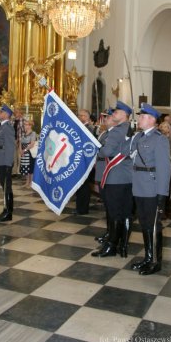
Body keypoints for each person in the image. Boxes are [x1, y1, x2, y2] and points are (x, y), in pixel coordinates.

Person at [125, 103, 171, 275]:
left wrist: (162, 195)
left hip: (152, 188)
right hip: (139, 187)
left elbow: (164, 169)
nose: (139, 119)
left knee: (153, 226)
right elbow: (128, 156)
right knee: (144, 224)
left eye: (142, 116)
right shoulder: (138, 138)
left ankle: (156, 261)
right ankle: (148, 256)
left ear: (152, 120)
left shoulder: (160, 139)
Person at [91, 101, 133, 258]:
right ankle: (121, 244)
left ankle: (112, 246)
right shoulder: (128, 129)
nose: (113, 114)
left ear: (124, 116)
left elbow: (106, 151)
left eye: (116, 112)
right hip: (125, 177)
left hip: (115, 177)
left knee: (115, 213)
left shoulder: (116, 131)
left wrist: (97, 149)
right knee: (124, 212)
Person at [94, 109, 115, 244]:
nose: (104, 120)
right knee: (106, 206)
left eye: (107, 118)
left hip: (108, 172)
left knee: (111, 205)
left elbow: (106, 151)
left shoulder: (114, 135)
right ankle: (108, 231)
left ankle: (112, 233)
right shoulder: (104, 133)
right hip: (100, 170)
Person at [0, 105, 15, 223]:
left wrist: (8, 164)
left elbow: (10, 146)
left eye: (1, 111)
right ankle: (5, 210)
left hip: (4, 160)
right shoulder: (0, 126)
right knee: (4, 185)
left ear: (6, 114)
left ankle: (8, 213)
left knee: (7, 186)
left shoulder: (8, 128)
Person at [75, 109, 94, 214]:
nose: (80, 117)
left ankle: (83, 209)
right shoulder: (79, 127)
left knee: (84, 185)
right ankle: (79, 207)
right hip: (79, 160)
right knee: (79, 185)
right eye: (79, 115)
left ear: (87, 117)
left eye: (83, 115)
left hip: (86, 161)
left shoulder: (90, 128)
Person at [19, 119, 37, 188]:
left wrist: (25, 150)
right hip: (24, 151)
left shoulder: (33, 133)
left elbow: (32, 144)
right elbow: (20, 142)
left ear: (30, 126)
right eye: (24, 124)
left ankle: (31, 183)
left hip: (30, 152)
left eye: (26, 124)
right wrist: (20, 150)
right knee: (25, 167)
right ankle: (27, 182)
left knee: (30, 168)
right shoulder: (24, 133)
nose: (24, 126)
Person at [12, 107, 25, 177]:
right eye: (15, 112)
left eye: (17, 112)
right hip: (13, 140)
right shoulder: (13, 120)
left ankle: (19, 172)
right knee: (14, 157)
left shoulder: (23, 120)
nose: (15, 113)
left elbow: (23, 132)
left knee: (19, 156)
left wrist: (19, 141)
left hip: (20, 141)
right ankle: (14, 172)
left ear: (20, 113)